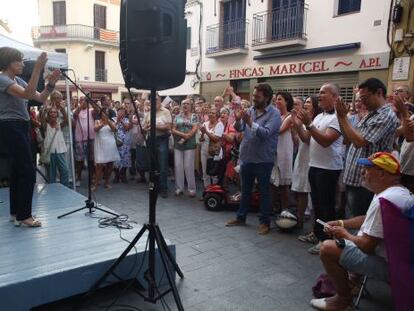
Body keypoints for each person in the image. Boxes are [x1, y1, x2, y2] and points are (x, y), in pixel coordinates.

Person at [310, 152, 414, 310]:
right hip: (403, 261)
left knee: (327, 248)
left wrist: (344, 234)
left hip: (392, 265)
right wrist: (341, 223)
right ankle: (353, 281)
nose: (362, 172)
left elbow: (367, 245)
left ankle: (342, 301)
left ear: (382, 174)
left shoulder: (383, 200)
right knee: (357, 234)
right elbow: (368, 219)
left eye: (367, 169)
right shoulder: (397, 192)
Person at [0, 47, 60, 227]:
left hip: (20, 125)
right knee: (27, 170)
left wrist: (50, 85)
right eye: (19, 60)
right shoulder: (2, 79)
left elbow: (40, 98)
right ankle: (24, 215)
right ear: (8, 62)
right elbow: (27, 95)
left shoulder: (16, 79)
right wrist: (37, 69)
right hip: (10, 125)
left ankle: (15, 213)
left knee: (18, 170)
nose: (22, 64)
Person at [336, 78, 399, 217]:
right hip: (355, 178)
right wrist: (341, 119)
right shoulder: (371, 114)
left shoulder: (385, 115)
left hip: (368, 181)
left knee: (362, 221)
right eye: (360, 98)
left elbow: (360, 142)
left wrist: (343, 118)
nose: (362, 102)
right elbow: (348, 140)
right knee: (354, 216)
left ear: (379, 93)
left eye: (365, 97)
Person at [226, 83, 281, 235]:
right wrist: (238, 120)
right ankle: (241, 217)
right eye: (254, 96)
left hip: (263, 160)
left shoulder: (274, 114)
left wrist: (250, 122)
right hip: (247, 157)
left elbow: (265, 133)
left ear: (267, 98)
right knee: (245, 190)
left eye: (257, 96)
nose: (254, 99)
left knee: (264, 192)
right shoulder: (250, 110)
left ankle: (264, 223)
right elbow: (239, 128)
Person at [297, 83, 344, 254]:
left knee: (327, 206)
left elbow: (325, 141)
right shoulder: (319, 117)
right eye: (319, 92)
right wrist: (298, 124)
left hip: (329, 168)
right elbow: (307, 140)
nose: (319, 95)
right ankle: (317, 235)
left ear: (334, 96)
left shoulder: (338, 118)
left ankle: (327, 241)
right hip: (314, 166)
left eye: (323, 92)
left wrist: (309, 124)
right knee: (317, 204)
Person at [291, 95, 321, 229]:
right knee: (299, 190)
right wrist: (295, 125)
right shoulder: (304, 121)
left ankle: (301, 220)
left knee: (305, 191)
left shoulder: (314, 121)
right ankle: (299, 217)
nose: (305, 104)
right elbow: (297, 140)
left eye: (308, 102)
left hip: (310, 159)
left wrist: (298, 124)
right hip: (301, 157)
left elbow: (307, 140)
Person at [143, 95, 172, 198]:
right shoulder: (148, 113)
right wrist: (146, 127)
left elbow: (168, 126)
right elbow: (144, 127)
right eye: (152, 101)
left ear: (160, 101)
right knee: (152, 165)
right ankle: (153, 187)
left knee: (163, 165)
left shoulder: (166, 112)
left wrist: (154, 126)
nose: (154, 102)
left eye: (156, 100)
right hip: (151, 140)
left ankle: (163, 188)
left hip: (162, 139)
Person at [270, 91, 294, 213]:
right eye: (276, 99)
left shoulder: (290, 117)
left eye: (280, 99)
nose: (277, 102)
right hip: (274, 152)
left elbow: (279, 130)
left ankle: (286, 210)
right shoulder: (275, 116)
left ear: (287, 102)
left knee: (284, 185)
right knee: (273, 183)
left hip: (284, 152)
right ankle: (272, 208)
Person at [171, 98, 198, 197]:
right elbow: (173, 129)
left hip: (189, 144)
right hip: (178, 144)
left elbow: (195, 128)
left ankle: (191, 189)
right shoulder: (177, 117)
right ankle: (179, 188)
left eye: (187, 104)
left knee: (188, 166)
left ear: (191, 106)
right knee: (178, 165)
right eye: (183, 104)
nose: (185, 105)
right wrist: (183, 135)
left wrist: (187, 136)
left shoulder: (194, 116)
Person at [93, 106, 120, 190]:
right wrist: (102, 124)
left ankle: (106, 182)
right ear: (101, 113)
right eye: (104, 112)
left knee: (109, 165)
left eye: (107, 113)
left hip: (110, 146)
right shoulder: (97, 121)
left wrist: (108, 121)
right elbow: (95, 129)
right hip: (100, 145)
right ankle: (96, 184)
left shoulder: (112, 121)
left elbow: (114, 130)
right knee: (99, 165)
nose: (105, 114)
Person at [43, 106, 69, 187]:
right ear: (48, 114)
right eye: (51, 112)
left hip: (59, 151)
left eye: (54, 112)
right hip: (49, 153)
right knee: (51, 175)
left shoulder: (60, 125)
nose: (53, 113)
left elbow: (67, 120)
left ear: (57, 115)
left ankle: (63, 187)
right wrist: (44, 110)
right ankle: (52, 190)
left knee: (65, 171)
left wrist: (63, 109)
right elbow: (42, 120)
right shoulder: (45, 125)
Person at [73, 96, 96, 186]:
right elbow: (75, 115)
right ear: (79, 101)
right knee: (79, 160)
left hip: (91, 138)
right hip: (79, 139)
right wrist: (81, 105)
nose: (84, 102)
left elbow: (97, 111)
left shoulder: (91, 111)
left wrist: (91, 101)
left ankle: (92, 177)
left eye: (85, 100)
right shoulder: (76, 111)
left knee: (91, 159)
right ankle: (79, 178)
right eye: (82, 100)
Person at [199, 107, 224, 188]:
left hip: (214, 151)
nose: (211, 114)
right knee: (205, 172)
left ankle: (214, 191)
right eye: (210, 112)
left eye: (213, 113)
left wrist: (205, 131)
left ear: (217, 115)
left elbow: (216, 139)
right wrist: (202, 134)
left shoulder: (220, 125)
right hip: (204, 150)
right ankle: (207, 191)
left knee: (213, 173)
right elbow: (201, 139)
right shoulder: (205, 124)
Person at [113, 106, 132, 183]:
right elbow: (113, 128)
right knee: (116, 159)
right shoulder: (113, 119)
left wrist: (122, 121)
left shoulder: (127, 120)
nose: (121, 113)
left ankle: (123, 175)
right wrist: (117, 121)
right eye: (120, 111)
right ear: (117, 112)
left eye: (123, 112)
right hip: (116, 142)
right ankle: (116, 175)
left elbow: (127, 128)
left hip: (125, 143)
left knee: (125, 159)